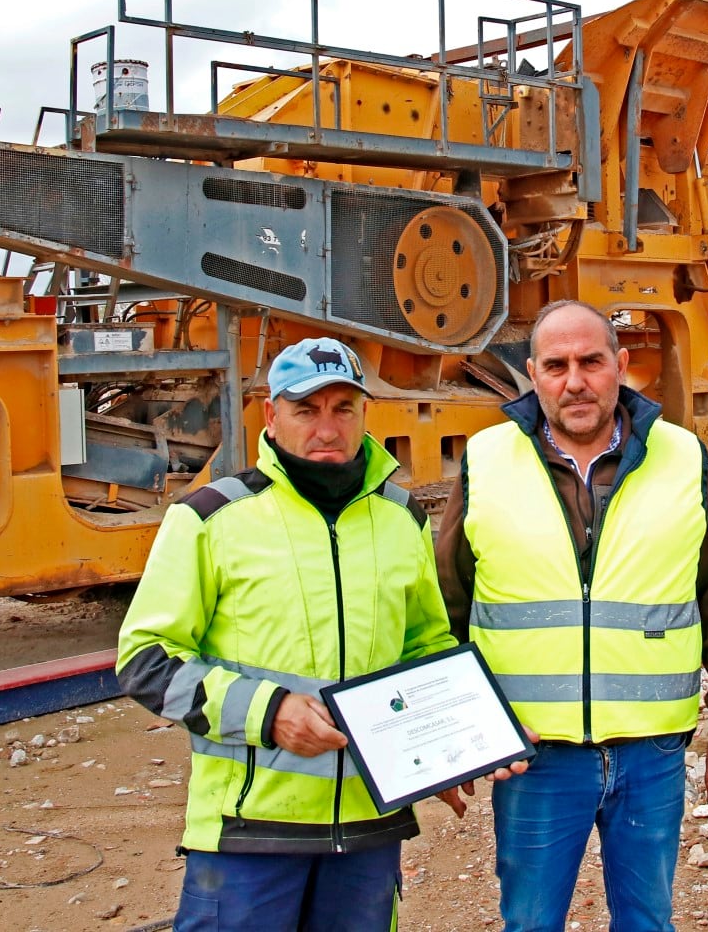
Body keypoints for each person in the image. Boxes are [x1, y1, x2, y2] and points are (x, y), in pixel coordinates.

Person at [435, 300, 708, 932]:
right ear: (533, 372)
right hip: (534, 755)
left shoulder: (681, 457)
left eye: (591, 362)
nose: (574, 381)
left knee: (647, 922)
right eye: (556, 366)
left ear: (622, 365)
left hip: (651, 753)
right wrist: (454, 735)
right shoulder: (488, 459)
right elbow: (447, 604)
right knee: (530, 924)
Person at [117, 336, 456, 931]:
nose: (327, 427)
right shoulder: (211, 518)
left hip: (368, 825)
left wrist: (449, 750)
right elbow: (146, 660)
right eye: (306, 409)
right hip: (250, 831)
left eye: (342, 408)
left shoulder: (404, 519)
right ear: (272, 416)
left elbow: (427, 649)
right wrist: (267, 712)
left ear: (364, 414)